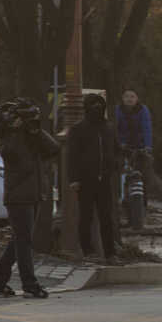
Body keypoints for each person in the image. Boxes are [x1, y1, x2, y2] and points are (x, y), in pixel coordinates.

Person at [0, 101, 59, 299]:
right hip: (18, 196)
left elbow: (54, 149)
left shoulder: (33, 136)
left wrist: (37, 131)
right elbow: (12, 155)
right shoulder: (9, 137)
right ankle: (29, 285)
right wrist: (18, 132)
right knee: (24, 241)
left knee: (18, 240)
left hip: (33, 193)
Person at [67, 93, 121, 259]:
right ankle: (88, 250)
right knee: (86, 216)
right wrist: (74, 178)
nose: (98, 110)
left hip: (104, 179)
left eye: (100, 107)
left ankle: (110, 252)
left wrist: (115, 162)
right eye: (94, 107)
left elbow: (116, 148)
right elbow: (72, 156)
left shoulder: (109, 128)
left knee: (107, 217)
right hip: (85, 180)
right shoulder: (77, 130)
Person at [115, 88, 152, 223]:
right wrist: (118, 143)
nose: (129, 99)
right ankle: (120, 203)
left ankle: (142, 206)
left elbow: (146, 128)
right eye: (126, 96)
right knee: (119, 174)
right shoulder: (118, 110)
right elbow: (115, 127)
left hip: (138, 147)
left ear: (137, 98)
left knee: (139, 175)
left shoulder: (142, 111)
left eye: (132, 96)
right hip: (122, 146)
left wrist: (146, 147)